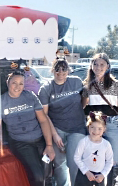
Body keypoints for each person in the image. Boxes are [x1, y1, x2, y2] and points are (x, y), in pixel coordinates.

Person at [0, 70, 55, 186]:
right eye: (14, 83)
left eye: (21, 83)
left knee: (48, 176)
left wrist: (49, 145)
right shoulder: (0, 101)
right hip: (20, 142)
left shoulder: (30, 96)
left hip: (39, 139)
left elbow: (43, 120)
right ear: (7, 82)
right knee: (38, 176)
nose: (17, 87)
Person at [38, 57, 86, 186]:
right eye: (57, 71)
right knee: (59, 164)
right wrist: (54, 134)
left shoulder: (76, 82)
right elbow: (44, 114)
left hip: (77, 128)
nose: (60, 74)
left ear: (68, 72)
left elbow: (83, 102)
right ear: (53, 71)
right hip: (57, 127)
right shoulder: (46, 88)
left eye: (64, 72)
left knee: (74, 161)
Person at [82, 53, 118, 186]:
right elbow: (83, 106)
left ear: (108, 66)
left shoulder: (115, 85)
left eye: (102, 64)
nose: (98, 67)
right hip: (93, 126)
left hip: (111, 124)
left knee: (112, 159)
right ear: (91, 66)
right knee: (94, 158)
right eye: (95, 64)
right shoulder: (87, 86)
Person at [74, 111, 113, 186]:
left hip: (99, 176)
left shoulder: (106, 144)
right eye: (92, 127)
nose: (96, 131)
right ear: (88, 127)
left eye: (99, 129)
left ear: (104, 129)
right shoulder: (84, 142)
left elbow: (109, 161)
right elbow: (77, 157)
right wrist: (86, 172)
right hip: (84, 174)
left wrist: (103, 174)